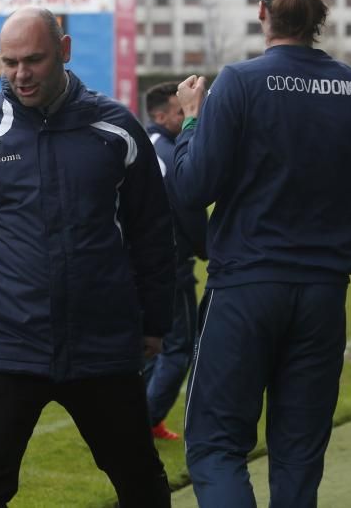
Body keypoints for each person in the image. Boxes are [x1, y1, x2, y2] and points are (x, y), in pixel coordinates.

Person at [0, 6, 175, 507]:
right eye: (10, 62)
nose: (20, 74)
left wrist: (155, 321)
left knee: (142, 487)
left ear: (65, 51)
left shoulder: (115, 129)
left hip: (102, 346)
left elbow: (153, 234)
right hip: (6, 346)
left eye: (34, 60)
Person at [174, 0, 351, 507]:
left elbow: (190, 188)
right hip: (324, 295)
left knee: (215, 448)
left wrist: (190, 120)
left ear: (263, 12)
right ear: (319, 15)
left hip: (246, 289)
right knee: (299, 456)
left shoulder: (238, 81)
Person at [142, 82, 208, 441]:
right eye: (180, 111)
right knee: (178, 347)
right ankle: (145, 422)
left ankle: (139, 418)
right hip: (171, 266)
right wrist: (207, 247)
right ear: (160, 115)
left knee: (150, 346)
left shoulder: (142, 146)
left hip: (140, 265)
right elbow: (189, 207)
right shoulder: (169, 153)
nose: (186, 116)